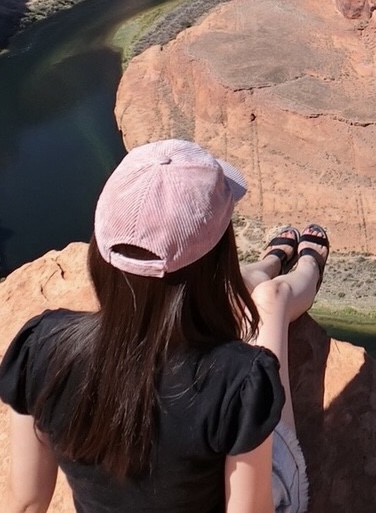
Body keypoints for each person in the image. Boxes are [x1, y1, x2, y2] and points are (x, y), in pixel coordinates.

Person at [0, 139, 329, 513]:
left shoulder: (39, 347)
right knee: (271, 304)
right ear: (219, 260)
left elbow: (26, 503)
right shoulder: (241, 379)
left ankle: (267, 265)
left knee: (245, 297)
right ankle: (304, 269)